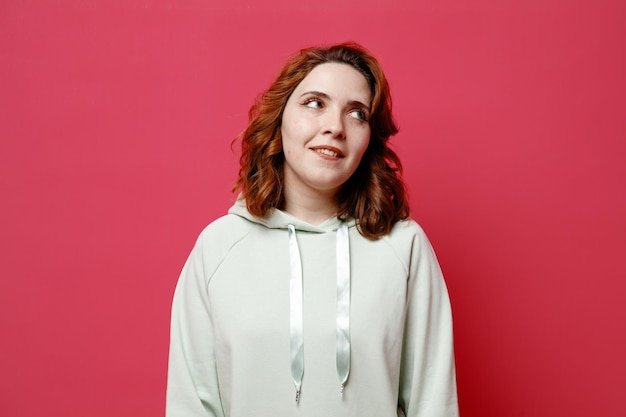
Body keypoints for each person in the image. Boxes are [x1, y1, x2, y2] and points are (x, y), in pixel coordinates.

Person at [166, 42, 459, 417]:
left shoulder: (404, 247)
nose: (335, 127)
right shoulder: (218, 247)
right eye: (315, 103)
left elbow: (433, 403)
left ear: (369, 139)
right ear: (280, 119)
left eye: (357, 113)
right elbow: (192, 404)